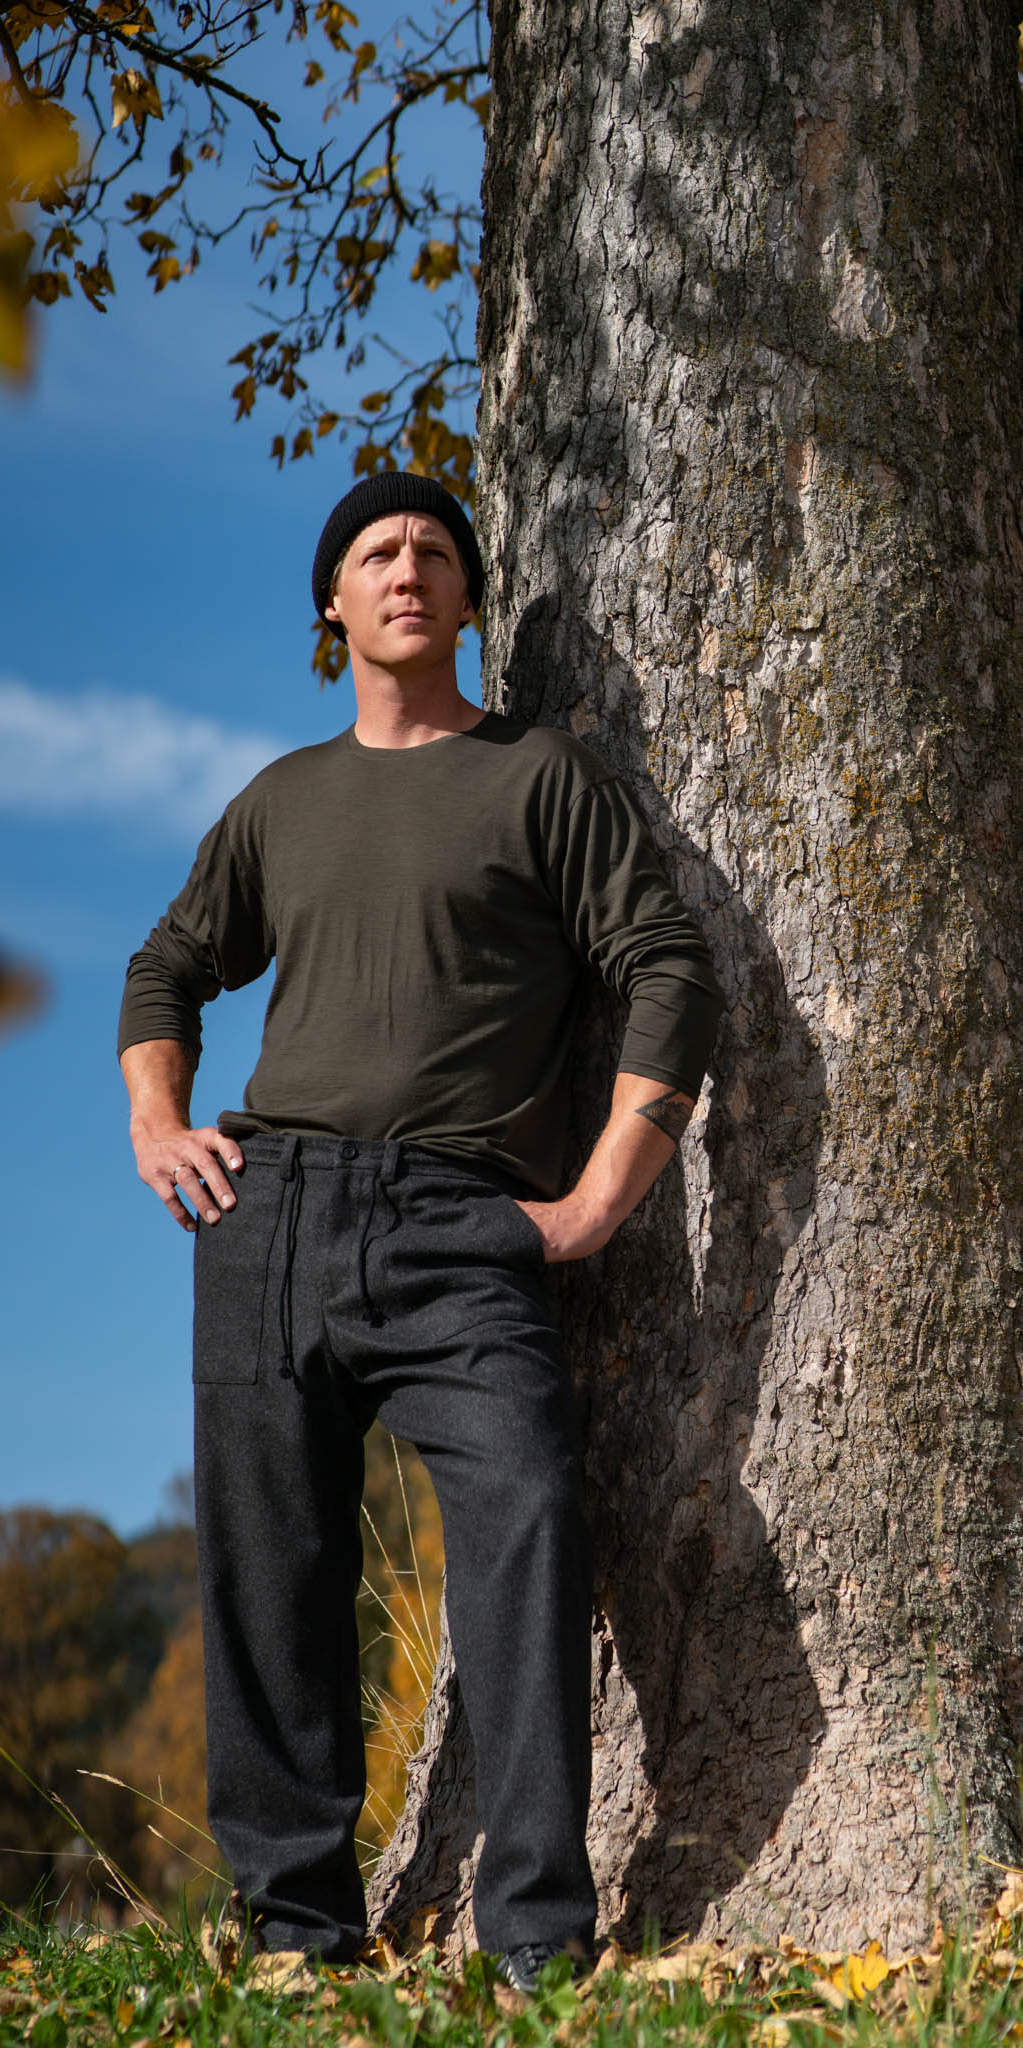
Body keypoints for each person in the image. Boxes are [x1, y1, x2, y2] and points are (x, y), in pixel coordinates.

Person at [117, 471, 723, 1990]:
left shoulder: (539, 779)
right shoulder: (279, 801)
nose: (407, 568)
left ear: (465, 599)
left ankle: (535, 1936)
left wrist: (599, 1198)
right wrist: (156, 1124)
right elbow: (166, 967)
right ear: (332, 604)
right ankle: (295, 1940)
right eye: (377, 552)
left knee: (528, 1515)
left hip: (463, 1222)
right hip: (268, 1213)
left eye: (435, 552)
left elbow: (668, 968)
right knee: (269, 1574)